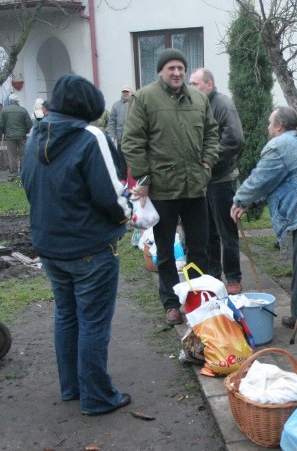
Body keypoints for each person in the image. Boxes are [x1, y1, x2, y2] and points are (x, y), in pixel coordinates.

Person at [21, 73, 132, 416]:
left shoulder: (35, 135)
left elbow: (28, 185)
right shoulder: (89, 137)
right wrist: (128, 210)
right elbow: (111, 199)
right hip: (90, 249)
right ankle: (97, 396)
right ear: (89, 107)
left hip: (50, 247)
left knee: (67, 316)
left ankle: (72, 386)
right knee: (93, 322)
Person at [122, 48, 219, 326]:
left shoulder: (199, 99)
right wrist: (144, 177)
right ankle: (171, 303)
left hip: (195, 187)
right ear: (161, 71)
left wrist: (208, 162)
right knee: (164, 251)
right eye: (171, 69)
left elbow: (212, 133)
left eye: (181, 68)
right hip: (162, 188)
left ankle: (198, 299)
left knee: (199, 247)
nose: (177, 73)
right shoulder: (144, 98)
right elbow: (132, 140)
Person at [230, 107, 297, 331]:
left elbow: (260, 179)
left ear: (279, 126)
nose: (267, 127)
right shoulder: (294, 142)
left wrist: (239, 200)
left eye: (270, 123)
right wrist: (251, 203)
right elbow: (279, 183)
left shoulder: (279, 145)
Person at [190, 68, 245, 295]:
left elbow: (235, 139)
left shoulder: (222, 105)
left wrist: (209, 159)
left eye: (195, 84)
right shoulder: (197, 105)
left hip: (222, 179)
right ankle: (214, 276)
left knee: (226, 232)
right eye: (190, 84)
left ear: (209, 85)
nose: (191, 87)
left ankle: (233, 277)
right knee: (208, 232)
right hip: (204, 180)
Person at [0, 93, 33, 181]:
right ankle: (24, 172)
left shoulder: (4, 110)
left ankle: (13, 174)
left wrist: (4, 132)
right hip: (22, 136)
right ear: (17, 101)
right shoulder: (23, 110)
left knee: (12, 156)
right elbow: (29, 123)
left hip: (9, 137)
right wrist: (25, 131)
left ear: (10, 101)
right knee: (23, 155)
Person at [106, 85, 132, 174]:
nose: (125, 93)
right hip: (121, 139)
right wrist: (112, 135)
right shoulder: (116, 105)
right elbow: (112, 121)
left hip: (134, 138)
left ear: (131, 92)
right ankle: (123, 180)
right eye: (123, 92)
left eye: (127, 92)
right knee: (122, 162)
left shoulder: (136, 103)